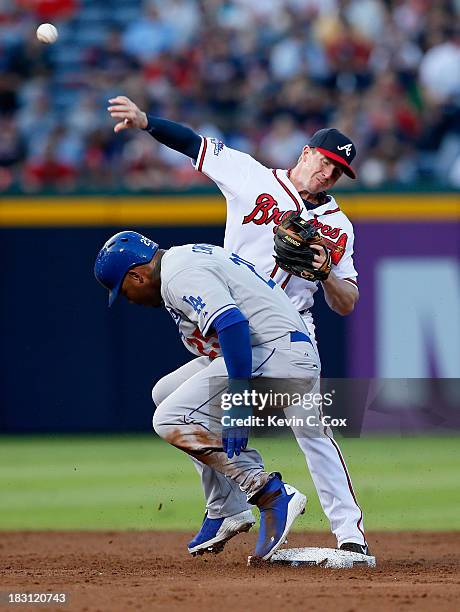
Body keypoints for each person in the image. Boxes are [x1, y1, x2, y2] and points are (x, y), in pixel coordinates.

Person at [107, 96, 369, 557]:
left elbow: (347, 303)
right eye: (326, 162)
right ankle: (227, 507)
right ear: (306, 153)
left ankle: (349, 534)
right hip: (228, 325)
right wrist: (146, 122)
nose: (328, 175)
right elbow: (193, 144)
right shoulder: (250, 176)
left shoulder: (338, 225)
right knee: (166, 397)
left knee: (312, 429)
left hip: (288, 333)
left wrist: (326, 271)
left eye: (338, 172)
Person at [94, 230, 321, 560]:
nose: (128, 298)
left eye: (124, 290)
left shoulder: (178, 274)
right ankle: (226, 508)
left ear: (137, 275)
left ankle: (268, 491)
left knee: (170, 418)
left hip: (279, 358)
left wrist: (239, 399)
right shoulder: (180, 261)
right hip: (272, 352)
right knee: (166, 393)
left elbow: (232, 324)